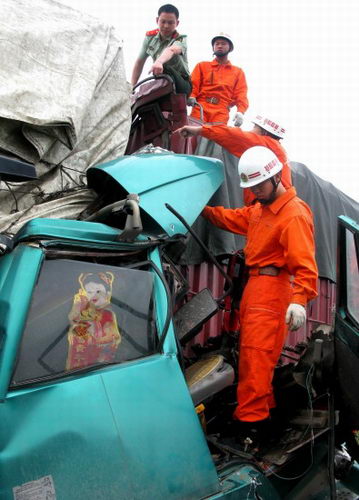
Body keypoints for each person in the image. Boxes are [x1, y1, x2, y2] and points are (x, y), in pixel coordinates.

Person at [200, 146, 318, 447]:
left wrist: (299, 300)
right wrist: (199, 207)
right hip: (254, 290)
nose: (254, 192)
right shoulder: (260, 209)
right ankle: (265, 423)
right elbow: (230, 218)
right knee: (254, 360)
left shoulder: (293, 214)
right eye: (250, 187)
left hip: (272, 292)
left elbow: (305, 265)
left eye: (258, 185)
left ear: (276, 177)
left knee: (256, 361)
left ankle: (251, 431)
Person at [176, 114, 291, 206]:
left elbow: (234, 136)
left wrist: (199, 130)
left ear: (264, 132)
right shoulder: (277, 149)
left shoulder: (265, 143)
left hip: (269, 207)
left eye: (254, 127)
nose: (250, 131)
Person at [189, 33, 248, 125]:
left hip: (221, 110)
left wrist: (240, 111)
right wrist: (191, 95)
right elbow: (193, 84)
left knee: (215, 136)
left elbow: (241, 94)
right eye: (217, 44)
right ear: (213, 47)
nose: (219, 46)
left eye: (223, 44)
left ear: (230, 48)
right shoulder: (202, 66)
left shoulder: (238, 72)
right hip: (200, 107)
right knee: (192, 136)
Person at [131, 4, 191, 95]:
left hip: (182, 84)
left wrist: (159, 62)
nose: (166, 26)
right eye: (163, 22)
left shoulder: (181, 39)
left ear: (177, 23)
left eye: (171, 23)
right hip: (161, 81)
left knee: (165, 68)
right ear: (157, 20)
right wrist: (132, 87)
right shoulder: (149, 38)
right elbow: (140, 62)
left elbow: (171, 50)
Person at [66, 272, 121, 370]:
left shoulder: (109, 314)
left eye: (98, 291)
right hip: (81, 361)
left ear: (108, 293)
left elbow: (113, 338)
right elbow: (76, 332)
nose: (94, 295)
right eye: (89, 292)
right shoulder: (80, 312)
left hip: (102, 363)